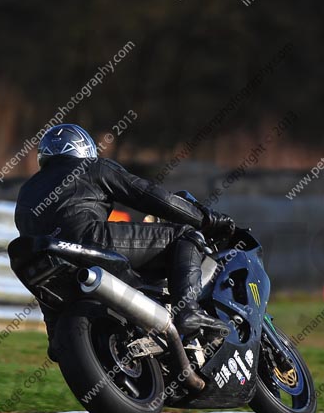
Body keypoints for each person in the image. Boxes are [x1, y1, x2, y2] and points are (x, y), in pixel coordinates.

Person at [14, 123, 233, 359]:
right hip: (90, 240)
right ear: (83, 147)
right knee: (184, 236)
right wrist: (205, 219)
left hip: (45, 260)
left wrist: (56, 333)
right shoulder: (91, 166)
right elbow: (149, 195)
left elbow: (44, 286)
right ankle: (188, 311)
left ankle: (58, 337)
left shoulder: (25, 192)